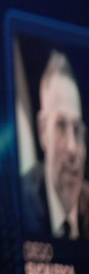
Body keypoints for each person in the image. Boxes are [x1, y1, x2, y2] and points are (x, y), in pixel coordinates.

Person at [21, 50, 89, 239]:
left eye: (77, 129)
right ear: (43, 131)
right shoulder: (17, 204)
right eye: (61, 126)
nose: (73, 148)